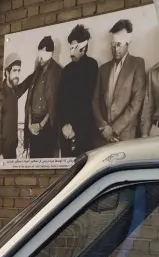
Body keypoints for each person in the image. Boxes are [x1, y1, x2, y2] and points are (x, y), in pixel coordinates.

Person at [92, 19, 146, 143]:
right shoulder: (103, 69)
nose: (116, 49)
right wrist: (103, 126)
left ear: (127, 43)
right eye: (113, 44)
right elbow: (95, 100)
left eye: (119, 45)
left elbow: (136, 102)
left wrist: (114, 129)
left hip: (125, 135)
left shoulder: (137, 64)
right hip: (103, 135)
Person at [56, 23, 99, 157]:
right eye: (70, 47)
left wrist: (75, 127)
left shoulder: (91, 66)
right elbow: (60, 100)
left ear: (83, 47)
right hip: (66, 134)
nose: (71, 53)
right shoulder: (66, 70)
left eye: (75, 48)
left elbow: (87, 100)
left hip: (84, 133)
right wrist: (64, 125)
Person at [25, 36, 62, 158]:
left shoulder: (57, 72)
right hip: (33, 125)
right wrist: (30, 123)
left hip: (47, 127)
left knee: (46, 160)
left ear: (50, 54)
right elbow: (29, 99)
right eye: (39, 54)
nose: (40, 58)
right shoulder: (37, 71)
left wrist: (41, 125)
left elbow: (55, 103)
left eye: (43, 54)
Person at [0, 52, 33, 160]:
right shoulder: (1, 94)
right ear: (7, 72)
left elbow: (26, 83)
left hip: (12, 146)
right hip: (2, 151)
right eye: (14, 71)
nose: (17, 75)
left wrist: (38, 69)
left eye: (19, 70)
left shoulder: (14, 91)